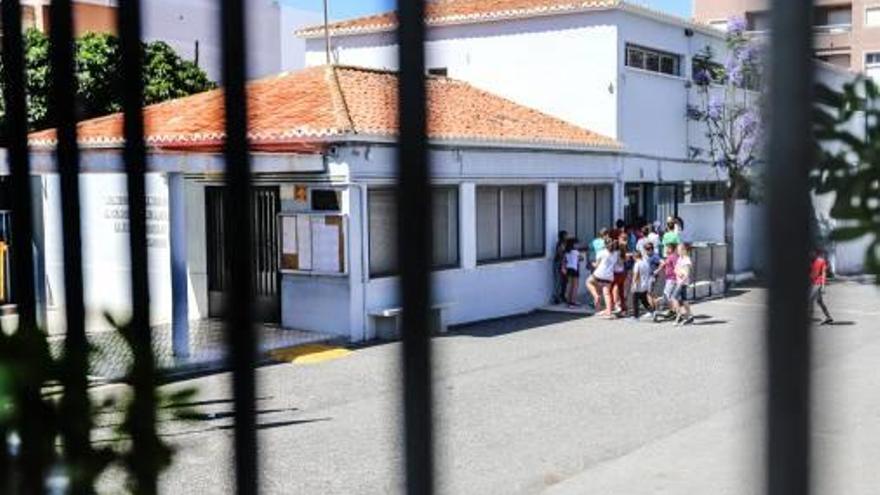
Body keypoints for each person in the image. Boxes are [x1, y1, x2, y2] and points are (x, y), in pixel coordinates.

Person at [588, 240, 619, 317]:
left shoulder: (601, 252)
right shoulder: (615, 254)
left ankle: (596, 296)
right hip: (609, 275)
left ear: (605, 245)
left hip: (599, 273)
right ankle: (608, 312)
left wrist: (592, 263)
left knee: (588, 282)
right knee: (607, 293)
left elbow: (597, 265)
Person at [653, 243, 679, 322]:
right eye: (666, 248)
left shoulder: (674, 256)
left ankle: (675, 312)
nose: (666, 250)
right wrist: (657, 271)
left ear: (672, 249)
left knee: (667, 296)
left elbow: (676, 267)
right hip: (668, 278)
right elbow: (663, 264)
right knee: (668, 296)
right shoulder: (668, 257)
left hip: (672, 279)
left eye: (668, 248)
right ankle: (672, 311)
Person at [810, 249, 834, 325]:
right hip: (813, 283)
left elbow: (823, 274)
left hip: (818, 283)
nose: (810, 254)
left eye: (812, 252)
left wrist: (823, 286)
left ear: (815, 253)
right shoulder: (811, 261)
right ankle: (828, 317)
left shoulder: (821, 261)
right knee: (819, 302)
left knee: (810, 300)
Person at [673, 243, 695, 326]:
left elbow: (686, 274)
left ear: (684, 250)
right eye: (677, 250)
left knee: (674, 298)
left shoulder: (686, 260)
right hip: (679, 281)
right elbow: (675, 269)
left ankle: (680, 315)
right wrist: (678, 272)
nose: (678, 252)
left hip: (682, 283)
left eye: (679, 250)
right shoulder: (680, 259)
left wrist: (680, 276)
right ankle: (690, 316)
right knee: (684, 300)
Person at [630, 250, 654, 320]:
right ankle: (652, 311)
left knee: (635, 300)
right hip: (645, 284)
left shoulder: (637, 264)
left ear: (635, 257)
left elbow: (636, 275)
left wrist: (633, 284)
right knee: (644, 300)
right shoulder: (645, 262)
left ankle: (636, 316)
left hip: (638, 285)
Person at [553, 231, 569, 304]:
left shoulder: (564, 243)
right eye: (566, 235)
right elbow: (560, 254)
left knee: (564, 281)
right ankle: (557, 297)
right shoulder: (560, 243)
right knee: (559, 280)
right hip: (559, 263)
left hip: (563, 263)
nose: (567, 236)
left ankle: (562, 295)